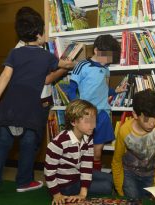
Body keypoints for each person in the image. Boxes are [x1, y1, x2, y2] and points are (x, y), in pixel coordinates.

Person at [0, 7, 75, 192]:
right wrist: (71, 62)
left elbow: (5, 77)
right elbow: (62, 65)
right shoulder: (47, 56)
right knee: (28, 145)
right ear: (40, 34)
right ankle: (24, 182)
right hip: (31, 110)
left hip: (8, 107)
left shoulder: (14, 53)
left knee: (2, 144)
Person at [66, 34, 125, 171]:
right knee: (83, 151)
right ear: (96, 50)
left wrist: (115, 91)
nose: (108, 60)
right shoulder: (82, 65)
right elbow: (71, 90)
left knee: (97, 153)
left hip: (103, 113)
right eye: (106, 56)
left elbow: (103, 89)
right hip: (86, 115)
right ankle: (82, 176)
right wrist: (77, 111)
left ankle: (95, 178)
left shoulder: (106, 69)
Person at [44, 99, 113, 204]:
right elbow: (49, 172)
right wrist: (57, 195)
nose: (93, 126)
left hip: (77, 174)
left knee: (110, 178)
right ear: (73, 122)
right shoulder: (59, 143)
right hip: (65, 186)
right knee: (107, 186)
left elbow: (86, 165)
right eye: (87, 121)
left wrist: (83, 193)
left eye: (94, 121)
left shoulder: (88, 137)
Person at [111, 89, 155, 200]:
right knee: (133, 200)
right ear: (135, 115)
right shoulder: (124, 131)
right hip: (129, 174)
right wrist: (120, 189)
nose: (152, 124)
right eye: (146, 119)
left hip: (151, 173)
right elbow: (117, 161)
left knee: (149, 201)